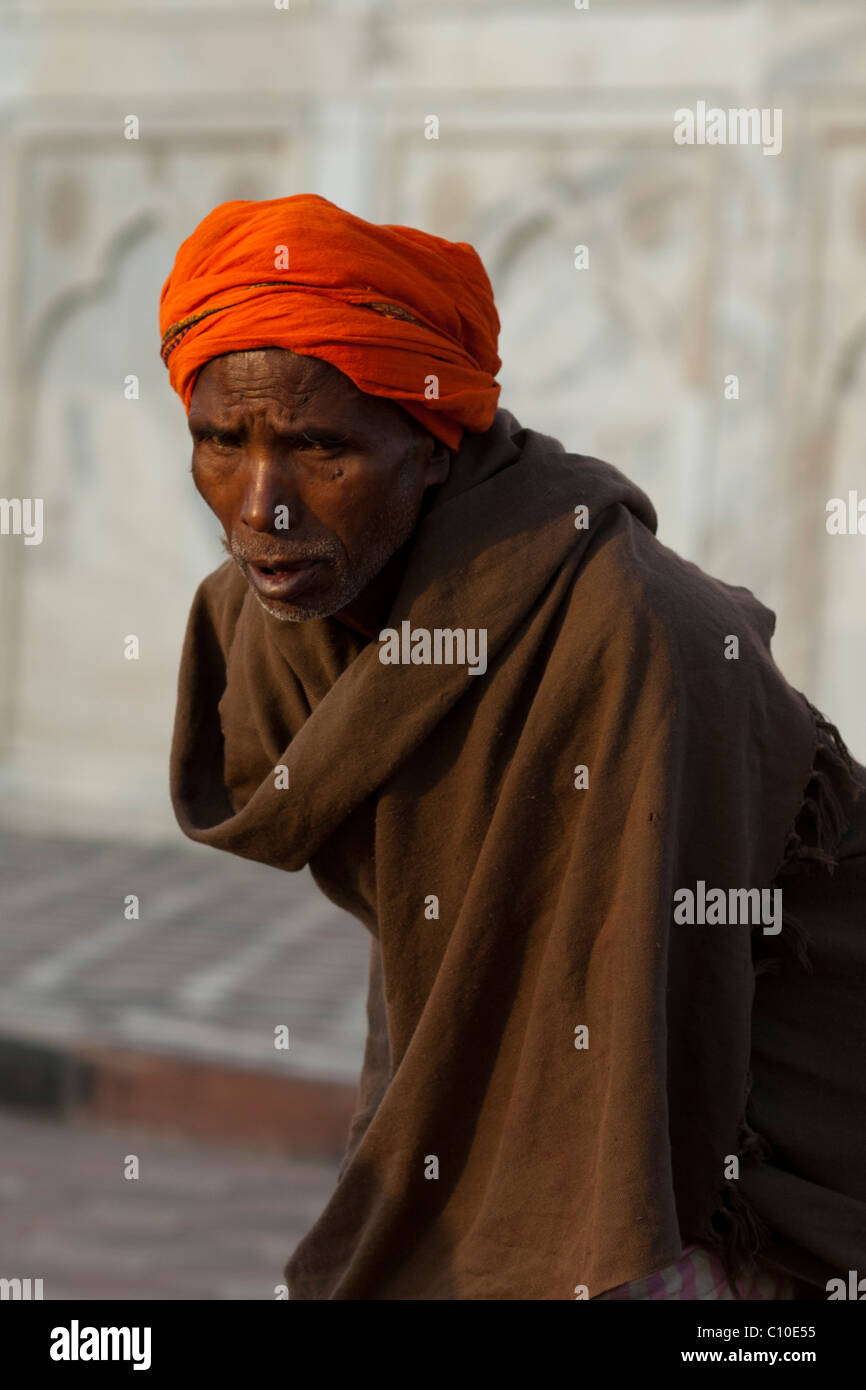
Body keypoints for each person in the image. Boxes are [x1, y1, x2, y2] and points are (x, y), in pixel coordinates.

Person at [160, 194, 866, 1301]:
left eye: (319, 447)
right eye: (219, 441)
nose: (263, 506)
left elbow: (637, 1035)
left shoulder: (625, 631)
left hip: (760, 1123)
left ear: (435, 447)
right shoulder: (271, 619)